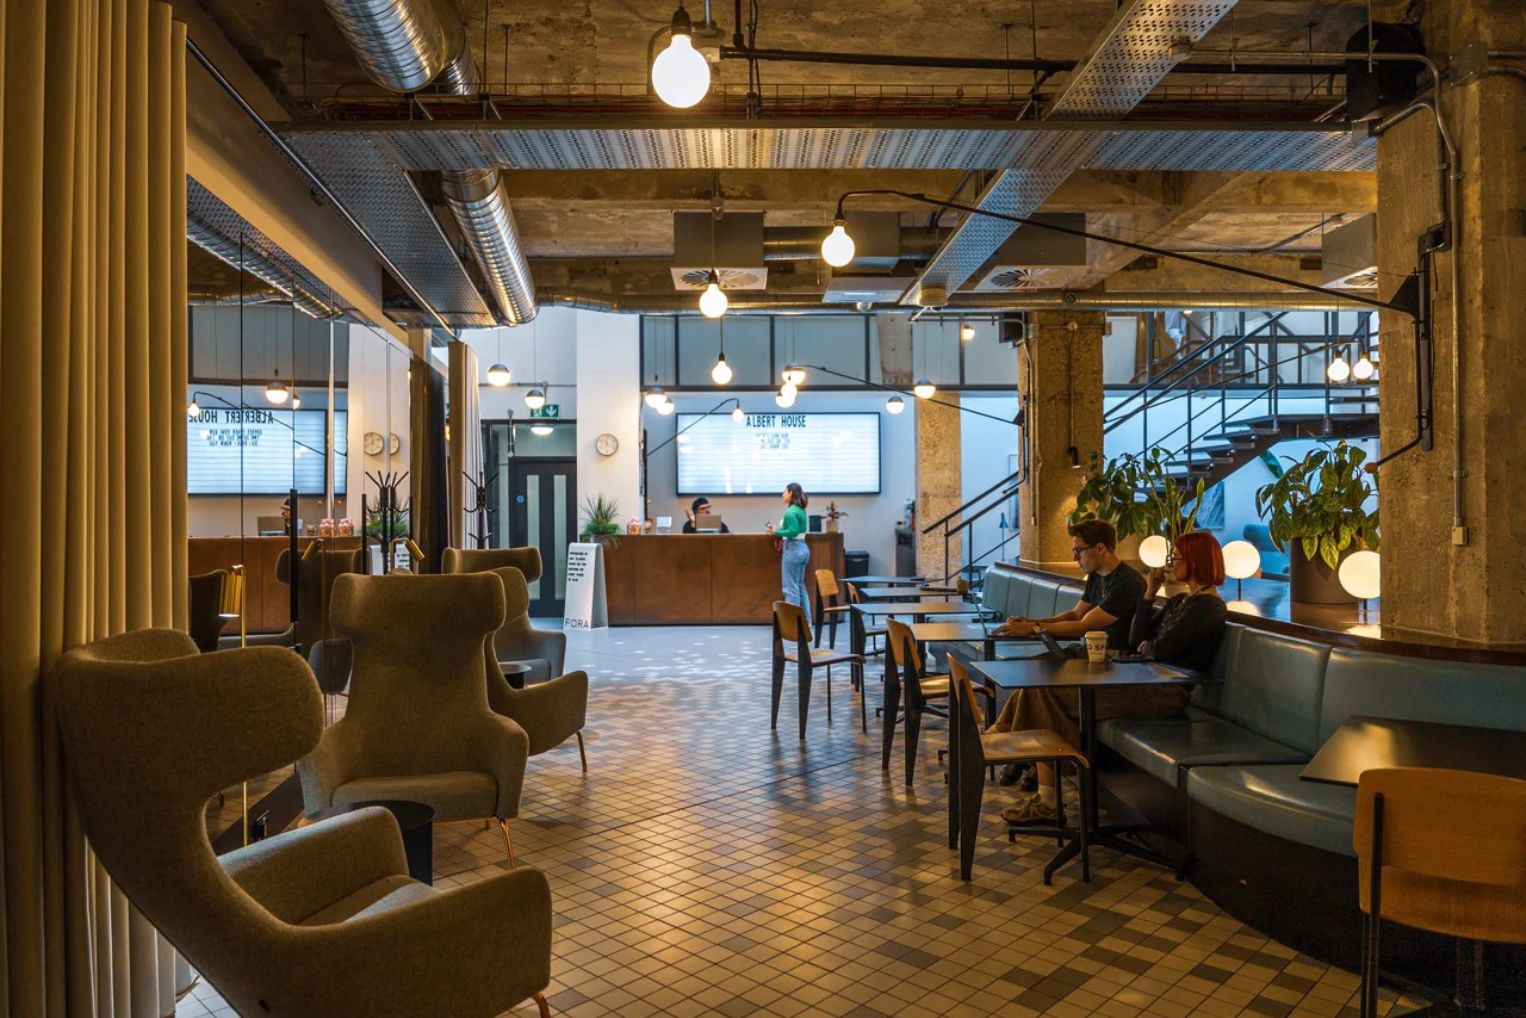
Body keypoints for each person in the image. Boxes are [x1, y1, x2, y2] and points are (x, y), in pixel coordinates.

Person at [997, 527, 1229, 825]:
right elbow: (1136, 639)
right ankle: (1036, 781)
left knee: (1047, 690)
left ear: (1195, 561)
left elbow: (1159, 648)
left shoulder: (1207, 607)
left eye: (1177, 557)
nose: (1171, 563)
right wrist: (1150, 593)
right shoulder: (1181, 601)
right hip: (1140, 679)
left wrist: (1149, 646)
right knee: (1043, 687)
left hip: (1166, 692)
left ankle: (1027, 774)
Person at [766, 483, 812, 633]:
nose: (782, 494)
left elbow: (792, 531)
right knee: (800, 586)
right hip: (802, 549)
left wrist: (776, 532)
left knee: (790, 589)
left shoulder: (790, 512)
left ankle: (792, 626)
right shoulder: (800, 509)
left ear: (791, 493)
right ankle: (806, 623)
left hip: (793, 549)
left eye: (784, 491)